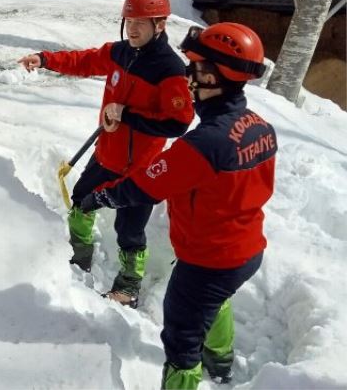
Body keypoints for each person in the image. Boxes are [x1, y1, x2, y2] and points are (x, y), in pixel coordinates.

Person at [77, 23, 276, 389]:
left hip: (207, 260)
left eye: (196, 70)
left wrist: (99, 196)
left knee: (182, 339)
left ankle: (188, 375)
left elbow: (144, 185)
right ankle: (220, 362)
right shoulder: (259, 127)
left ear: (217, 78)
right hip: (247, 251)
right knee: (214, 302)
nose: (188, 79)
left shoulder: (202, 145)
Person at [18, 0, 194, 307]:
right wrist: (44, 59)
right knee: (80, 205)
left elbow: (178, 122)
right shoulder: (121, 52)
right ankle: (78, 257)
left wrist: (128, 115)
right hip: (105, 155)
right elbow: (84, 60)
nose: (133, 28)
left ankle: (127, 287)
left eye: (142, 22)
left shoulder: (170, 69)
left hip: (140, 171)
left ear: (161, 25)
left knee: (130, 232)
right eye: (129, 21)